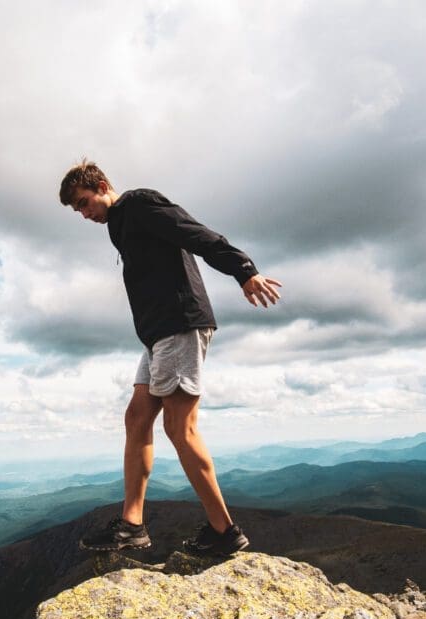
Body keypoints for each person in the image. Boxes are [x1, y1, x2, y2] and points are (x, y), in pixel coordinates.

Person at [59, 160, 282, 556]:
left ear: (102, 185)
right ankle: (132, 525)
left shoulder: (140, 204)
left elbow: (195, 234)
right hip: (157, 336)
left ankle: (224, 531)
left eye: (84, 202)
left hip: (179, 325)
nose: (84, 213)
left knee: (181, 429)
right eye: (78, 209)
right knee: (137, 418)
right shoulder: (119, 225)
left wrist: (243, 269)